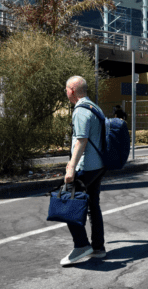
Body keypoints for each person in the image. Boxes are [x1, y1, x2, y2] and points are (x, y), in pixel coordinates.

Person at [61, 76, 107, 266]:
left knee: (67, 203)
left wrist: (71, 166)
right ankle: (98, 247)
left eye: (66, 89)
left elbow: (81, 140)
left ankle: (81, 245)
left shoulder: (80, 110)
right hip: (99, 166)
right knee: (92, 206)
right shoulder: (95, 107)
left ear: (71, 90)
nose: (65, 92)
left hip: (86, 166)